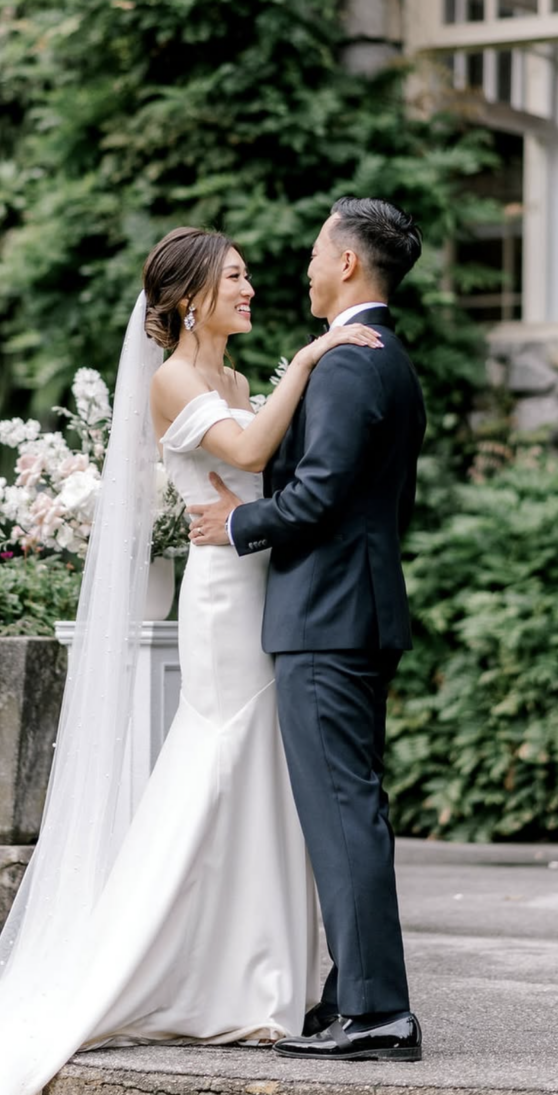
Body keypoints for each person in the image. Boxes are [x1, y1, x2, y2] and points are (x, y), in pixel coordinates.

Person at [0, 227, 382, 1095]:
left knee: (259, 774)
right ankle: (172, 966)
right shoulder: (174, 379)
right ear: (189, 296)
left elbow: (269, 477)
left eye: (248, 273)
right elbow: (245, 455)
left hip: (259, 583)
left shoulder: (238, 379)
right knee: (220, 760)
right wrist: (317, 354)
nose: (251, 287)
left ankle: (258, 977)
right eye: (235, 276)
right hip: (221, 598)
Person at [189, 197, 426, 1062]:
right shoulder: (387, 360)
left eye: (319, 252)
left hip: (327, 616)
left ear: (350, 265)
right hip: (352, 608)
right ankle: (352, 994)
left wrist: (239, 526)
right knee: (348, 805)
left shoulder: (351, 365)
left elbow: (321, 492)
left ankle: (377, 1012)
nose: (306, 267)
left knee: (342, 808)